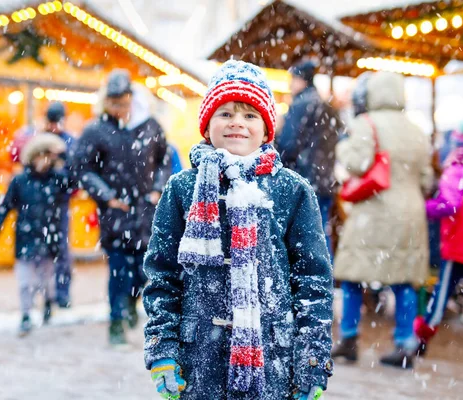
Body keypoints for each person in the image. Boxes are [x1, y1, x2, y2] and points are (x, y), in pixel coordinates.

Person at [142, 60, 333, 400]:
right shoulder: (182, 189)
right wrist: (163, 350)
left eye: (249, 115)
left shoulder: (292, 190)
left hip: (273, 360)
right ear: (207, 124)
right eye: (225, 113)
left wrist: (312, 358)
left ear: (266, 127)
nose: (237, 124)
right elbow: (162, 276)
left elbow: (312, 282)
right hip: (199, 361)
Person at [331, 71, 433, 369]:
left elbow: (357, 163)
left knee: (352, 274)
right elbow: (426, 178)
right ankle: (405, 343)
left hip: (373, 212)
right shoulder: (416, 129)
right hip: (411, 212)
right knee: (404, 279)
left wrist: (342, 145)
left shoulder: (366, 123)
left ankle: (349, 337)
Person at [73, 69, 171, 346]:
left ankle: (130, 303)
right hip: (115, 213)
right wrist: (107, 196)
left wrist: (157, 189)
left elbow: (165, 159)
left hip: (145, 211)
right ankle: (116, 323)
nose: (119, 108)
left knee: (144, 271)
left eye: (123, 102)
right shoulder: (96, 130)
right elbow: (83, 169)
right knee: (118, 270)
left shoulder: (150, 126)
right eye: (113, 102)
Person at [0, 134, 75, 336]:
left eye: (49, 156)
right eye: (43, 155)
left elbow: (74, 179)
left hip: (48, 238)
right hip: (26, 238)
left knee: (45, 281)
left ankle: (47, 304)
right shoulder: (19, 181)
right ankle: (26, 315)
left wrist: (65, 155)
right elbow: (5, 206)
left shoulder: (57, 179)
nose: (45, 160)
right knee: (25, 282)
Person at [415, 118, 463, 354]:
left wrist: (425, 208)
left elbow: (449, 204)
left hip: (460, 242)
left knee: (441, 293)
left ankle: (423, 337)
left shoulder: (456, 168)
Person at [275, 60, 343, 258]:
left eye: (293, 79)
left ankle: (311, 279)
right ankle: (325, 276)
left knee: (303, 233)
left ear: (302, 80)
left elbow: (288, 145)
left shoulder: (300, 104)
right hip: (324, 179)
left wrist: (278, 134)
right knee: (321, 231)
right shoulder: (324, 103)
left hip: (304, 179)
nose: (290, 84)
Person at [44, 101, 77, 309]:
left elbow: (74, 175)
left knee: (61, 251)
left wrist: (61, 167)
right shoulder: (41, 140)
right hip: (41, 205)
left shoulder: (69, 143)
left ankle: (62, 293)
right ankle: (47, 294)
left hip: (60, 203)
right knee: (45, 252)